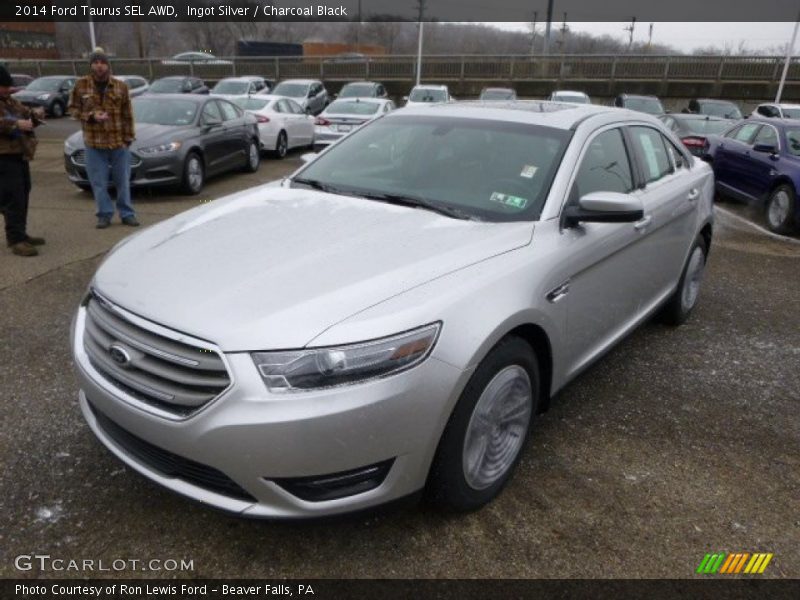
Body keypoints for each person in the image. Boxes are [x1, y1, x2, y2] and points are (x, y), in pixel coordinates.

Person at [68, 48, 139, 229]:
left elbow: (127, 114)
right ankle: (104, 214)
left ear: (108, 65)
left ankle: (127, 213)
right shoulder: (81, 85)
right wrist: (90, 116)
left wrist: (128, 139)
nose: (99, 66)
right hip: (94, 143)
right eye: (96, 62)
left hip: (118, 142)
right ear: (91, 65)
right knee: (98, 182)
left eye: (102, 62)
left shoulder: (120, 86)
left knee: (122, 181)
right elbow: (73, 109)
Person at [0, 65, 45, 257]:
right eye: (3, 86)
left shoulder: (9, 101)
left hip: (19, 154)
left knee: (23, 192)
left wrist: (35, 115)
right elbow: (8, 123)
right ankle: (15, 240)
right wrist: (15, 124)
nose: (7, 89)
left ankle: (21, 233)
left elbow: (24, 113)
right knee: (13, 197)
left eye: (7, 85)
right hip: (3, 157)